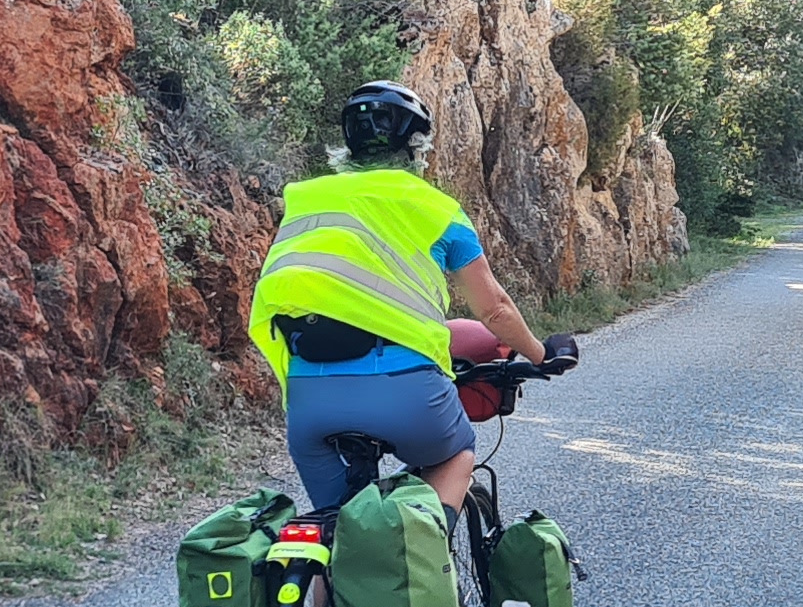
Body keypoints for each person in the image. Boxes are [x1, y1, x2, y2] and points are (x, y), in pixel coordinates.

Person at [248, 81, 578, 514]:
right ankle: (426, 559)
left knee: (339, 535)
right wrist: (539, 355)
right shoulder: (437, 209)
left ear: (349, 144)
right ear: (418, 146)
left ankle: (319, 577)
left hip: (310, 397)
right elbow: (493, 308)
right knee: (456, 453)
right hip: (406, 393)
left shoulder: (305, 199)